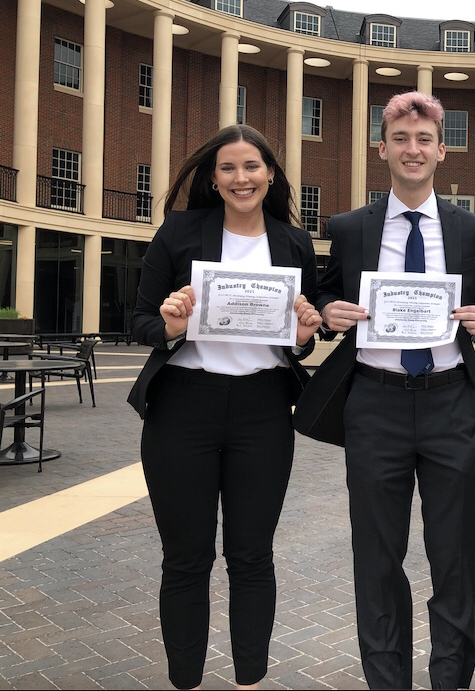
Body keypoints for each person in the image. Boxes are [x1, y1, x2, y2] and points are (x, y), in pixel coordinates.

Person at [294, 91, 475, 689]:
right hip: (375, 403)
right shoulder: (349, 228)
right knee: (376, 557)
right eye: (402, 139)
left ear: (441, 152)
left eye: (425, 140)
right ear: (383, 149)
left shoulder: (472, 229)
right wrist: (330, 310)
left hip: (449, 401)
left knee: (455, 555)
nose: (414, 150)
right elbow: (323, 293)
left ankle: (449, 681)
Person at [127, 124, 322, 691]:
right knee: (186, 559)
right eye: (230, 168)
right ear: (212, 178)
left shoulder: (292, 242)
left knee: (252, 556)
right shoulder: (181, 232)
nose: (242, 178)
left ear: (270, 176)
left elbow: (297, 337)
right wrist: (169, 324)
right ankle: (185, 680)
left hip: (262, 408)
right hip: (183, 407)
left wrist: (307, 333)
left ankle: (250, 681)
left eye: (253, 167)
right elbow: (139, 323)